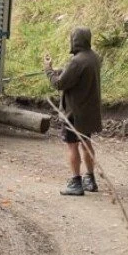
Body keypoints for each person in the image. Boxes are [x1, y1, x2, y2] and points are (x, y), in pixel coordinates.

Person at [44, 27, 103, 196]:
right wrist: (62, 71)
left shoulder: (76, 62)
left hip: (74, 114)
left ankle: (75, 182)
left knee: (72, 146)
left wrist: (48, 70)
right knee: (86, 144)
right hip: (89, 111)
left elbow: (59, 84)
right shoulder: (94, 57)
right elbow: (76, 76)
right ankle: (90, 179)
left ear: (74, 41)